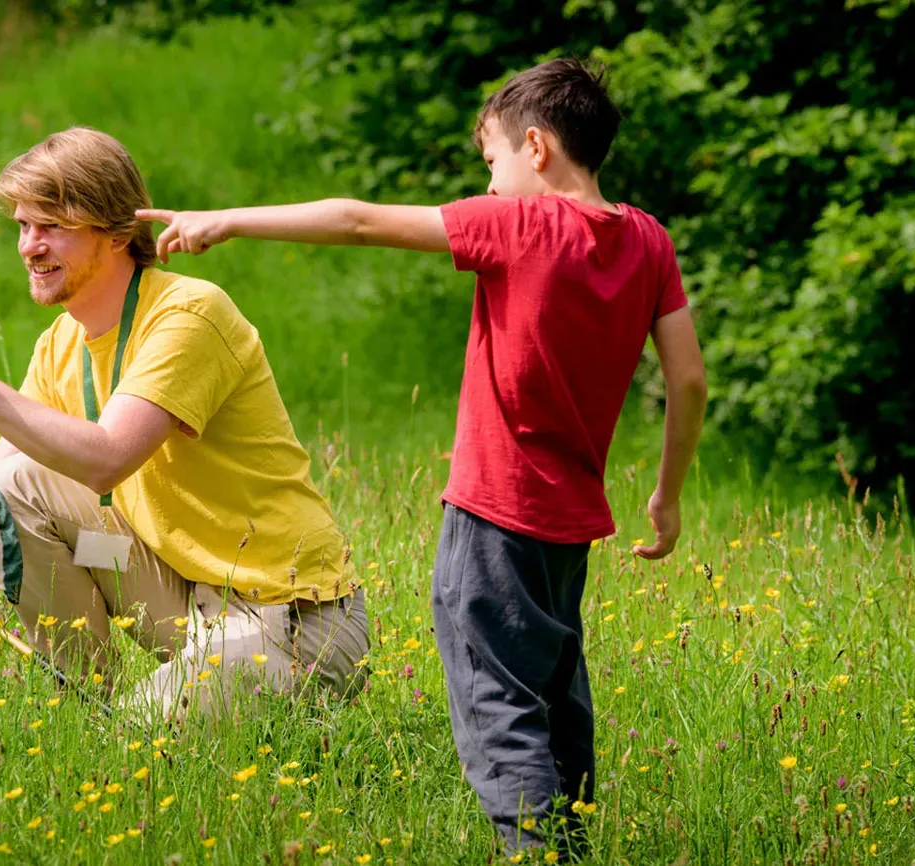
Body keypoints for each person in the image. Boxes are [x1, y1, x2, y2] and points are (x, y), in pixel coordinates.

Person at [137, 58, 709, 853]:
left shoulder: (521, 224)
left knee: (497, 703)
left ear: (536, 148)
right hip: (569, 526)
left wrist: (227, 218)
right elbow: (688, 376)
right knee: (553, 690)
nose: (491, 183)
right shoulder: (647, 240)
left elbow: (358, 221)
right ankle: (575, 841)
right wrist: (668, 495)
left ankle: (537, 851)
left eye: (492, 164)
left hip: (494, 516)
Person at [0, 127, 368, 722]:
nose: (30, 247)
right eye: (23, 226)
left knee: (136, 738)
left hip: (292, 620)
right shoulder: (60, 342)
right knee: (12, 491)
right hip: (180, 600)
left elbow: (108, 457)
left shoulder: (189, 314)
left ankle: (145, 714)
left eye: (53, 226)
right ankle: (77, 697)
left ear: (118, 230)